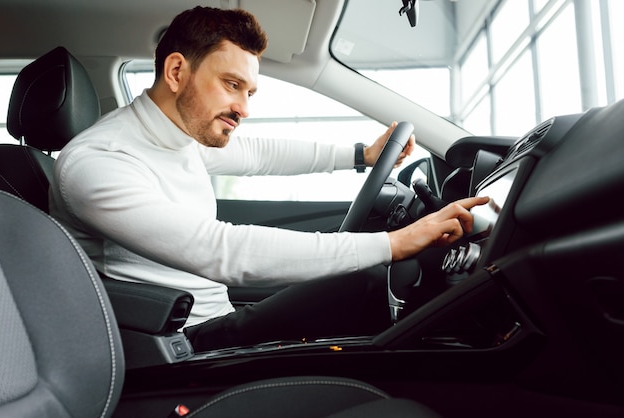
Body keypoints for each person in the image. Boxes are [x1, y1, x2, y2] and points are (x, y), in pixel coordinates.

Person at [49, 6, 488, 351]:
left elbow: (257, 154)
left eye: (250, 92)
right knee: (368, 287)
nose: (244, 108)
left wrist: (362, 155)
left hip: (213, 317)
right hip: (176, 345)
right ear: (177, 71)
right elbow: (219, 250)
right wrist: (395, 243)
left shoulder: (176, 134)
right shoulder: (98, 163)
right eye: (231, 84)